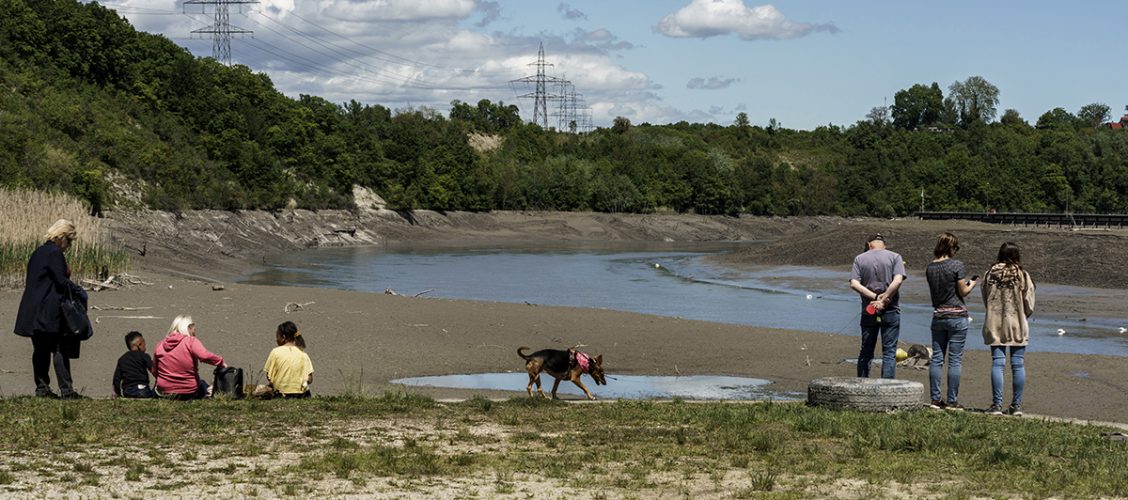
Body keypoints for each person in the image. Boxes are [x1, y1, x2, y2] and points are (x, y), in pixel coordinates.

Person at [13, 219, 89, 399]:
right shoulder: (55, 253)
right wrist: (79, 291)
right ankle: (67, 390)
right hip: (49, 309)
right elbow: (61, 281)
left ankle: (42, 388)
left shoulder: (38, 252)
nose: (68, 246)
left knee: (40, 349)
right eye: (69, 241)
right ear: (61, 237)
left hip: (32, 308)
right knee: (59, 348)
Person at [981, 242, 1035, 416]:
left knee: (998, 363)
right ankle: (1016, 406)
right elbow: (1029, 301)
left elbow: (985, 297)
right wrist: (1024, 314)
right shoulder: (1022, 275)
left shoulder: (989, 274)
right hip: (1017, 322)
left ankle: (997, 405)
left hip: (995, 322)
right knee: (1018, 364)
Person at [925, 233, 977, 410]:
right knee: (954, 360)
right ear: (952, 248)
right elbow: (963, 292)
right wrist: (973, 283)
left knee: (937, 359)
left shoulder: (930, 267)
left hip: (938, 315)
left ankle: (935, 399)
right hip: (956, 315)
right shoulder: (957, 265)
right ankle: (952, 400)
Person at [849, 233, 907, 378]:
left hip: (868, 310)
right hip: (891, 308)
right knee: (889, 352)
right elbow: (898, 280)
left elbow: (854, 284)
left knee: (866, 351)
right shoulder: (895, 257)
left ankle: (862, 384)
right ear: (884, 245)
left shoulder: (859, 259)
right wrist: (884, 297)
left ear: (869, 244)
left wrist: (874, 298)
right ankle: (887, 387)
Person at [153, 315, 225, 400]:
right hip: (188, 392)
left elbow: (155, 371)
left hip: (164, 392)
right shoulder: (190, 341)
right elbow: (204, 356)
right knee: (203, 384)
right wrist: (220, 362)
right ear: (189, 327)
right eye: (194, 329)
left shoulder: (160, 345)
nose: (194, 332)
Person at [262, 321, 314, 398]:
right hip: (301, 395)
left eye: (277, 337)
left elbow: (269, 376)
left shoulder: (275, 352)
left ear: (283, 337)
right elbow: (309, 379)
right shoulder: (303, 354)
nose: (276, 339)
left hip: (280, 394)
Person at [112, 331, 156, 398]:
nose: (145, 345)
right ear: (139, 345)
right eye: (144, 343)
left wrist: (118, 393)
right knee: (151, 393)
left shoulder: (122, 359)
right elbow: (153, 369)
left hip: (127, 391)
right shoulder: (144, 356)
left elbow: (116, 379)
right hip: (142, 389)